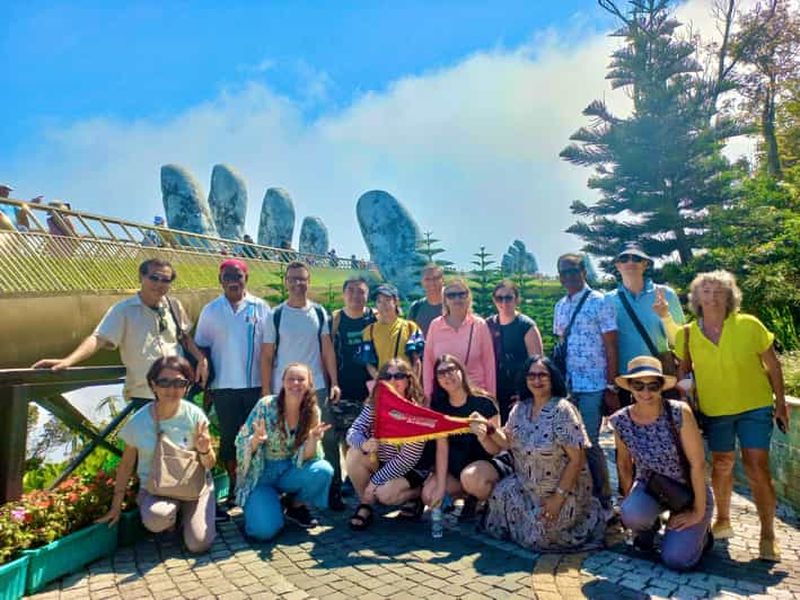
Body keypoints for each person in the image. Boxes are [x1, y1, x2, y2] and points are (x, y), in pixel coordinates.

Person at [675, 270, 788, 562]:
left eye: (718, 292)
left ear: (730, 296)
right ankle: (723, 521)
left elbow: (773, 366)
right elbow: (683, 372)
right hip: (715, 411)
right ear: (696, 297)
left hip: (754, 406)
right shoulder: (686, 333)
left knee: (756, 467)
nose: (712, 297)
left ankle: (767, 535)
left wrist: (781, 405)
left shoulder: (749, 325)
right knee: (722, 464)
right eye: (706, 291)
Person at [34, 258, 208, 410]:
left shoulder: (174, 306)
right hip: (145, 391)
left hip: (177, 389)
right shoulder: (123, 310)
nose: (159, 284)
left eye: (165, 280)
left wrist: (201, 359)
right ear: (141, 277)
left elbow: (183, 338)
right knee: (146, 445)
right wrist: (68, 361)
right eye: (154, 278)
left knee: (178, 443)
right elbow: (99, 338)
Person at [476, 356, 605, 551]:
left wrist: (558, 498)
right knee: (500, 496)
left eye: (542, 375)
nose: (536, 380)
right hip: (527, 486)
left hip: (561, 489)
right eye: (531, 375)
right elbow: (507, 442)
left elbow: (577, 460)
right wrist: (489, 429)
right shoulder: (520, 408)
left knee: (541, 536)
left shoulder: (563, 410)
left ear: (552, 378)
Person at [96, 356, 216, 553]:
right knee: (156, 518)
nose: (171, 389)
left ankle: (188, 514)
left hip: (194, 487)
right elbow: (126, 465)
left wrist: (204, 449)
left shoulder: (195, 416)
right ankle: (173, 518)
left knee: (199, 544)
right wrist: (116, 505)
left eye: (179, 383)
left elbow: (209, 463)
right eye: (164, 382)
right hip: (156, 489)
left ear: (187, 386)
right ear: (153, 385)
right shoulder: (139, 422)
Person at [609, 356, 713, 571]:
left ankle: (702, 536)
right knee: (631, 513)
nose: (645, 393)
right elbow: (624, 464)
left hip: (689, 491)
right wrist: (631, 508)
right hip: (652, 486)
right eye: (638, 385)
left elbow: (698, 464)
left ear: (661, 387)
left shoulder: (678, 412)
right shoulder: (621, 420)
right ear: (629, 386)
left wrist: (697, 512)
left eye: (652, 386)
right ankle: (648, 528)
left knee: (677, 560)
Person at [261, 261, 340, 508]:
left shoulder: (318, 313)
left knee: (326, 439)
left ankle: (332, 491)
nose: (298, 283)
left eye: (302, 279)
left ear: (309, 281)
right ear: (286, 282)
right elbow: (266, 356)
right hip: (284, 390)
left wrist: (334, 382)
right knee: (286, 441)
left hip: (316, 388)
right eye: (293, 279)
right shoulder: (276, 315)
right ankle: (288, 495)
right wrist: (266, 392)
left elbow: (327, 350)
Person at [194, 259, 270, 504]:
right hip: (223, 387)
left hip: (255, 386)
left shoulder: (260, 307)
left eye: (237, 276)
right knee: (229, 439)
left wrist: (268, 387)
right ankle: (236, 486)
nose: (232, 281)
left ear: (246, 278)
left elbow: (270, 349)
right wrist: (206, 383)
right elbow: (201, 347)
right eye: (227, 276)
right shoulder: (211, 310)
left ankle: (257, 484)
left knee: (257, 436)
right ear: (220, 280)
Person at [234, 363, 333, 540]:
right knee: (263, 532)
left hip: (290, 471)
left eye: (301, 379)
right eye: (291, 379)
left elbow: (309, 456)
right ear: (282, 382)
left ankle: (294, 505)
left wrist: (312, 439)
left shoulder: (312, 412)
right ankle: (267, 505)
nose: (295, 383)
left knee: (323, 470)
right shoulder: (265, 405)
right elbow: (241, 442)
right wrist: (255, 441)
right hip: (261, 474)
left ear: (310, 383)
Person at [553, 254, 618, 508]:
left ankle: (603, 499)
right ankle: (580, 493)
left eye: (572, 271)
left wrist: (611, 386)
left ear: (583, 271)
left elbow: (612, 346)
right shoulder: (560, 305)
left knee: (589, 441)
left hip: (593, 384)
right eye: (563, 272)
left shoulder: (599, 301)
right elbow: (561, 344)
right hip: (569, 386)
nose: (568, 276)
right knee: (569, 442)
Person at [345, 359, 428, 530]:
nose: (392, 381)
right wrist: (364, 444)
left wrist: (375, 482)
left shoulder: (417, 412)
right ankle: (366, 504)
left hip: (411, 468)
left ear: (408, 380)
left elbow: (408, 459)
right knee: (354, 453)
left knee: (385, 495)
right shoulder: (374, 405)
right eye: (386, 376)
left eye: (398, 376)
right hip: (383, 461)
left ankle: (417, 494)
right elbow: (352, 432)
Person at [606, 242, 684, 404]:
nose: (630, 262)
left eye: (636, 258)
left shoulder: (665, 294)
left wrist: (665, 316)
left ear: (645, 263)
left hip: (660, 377)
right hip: (626, 380)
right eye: (624, 258)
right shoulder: (607, 300)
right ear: (617, 265)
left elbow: (678, 341)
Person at [420, 354, 499, 510]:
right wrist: (441, 487)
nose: (447, 376)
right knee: (429, 495)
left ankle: (488, 502)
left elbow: (497, 448)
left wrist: (483, 435)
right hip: (455, 468)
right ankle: (466, 496)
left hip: (483, 466)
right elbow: (442, 449)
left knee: (471, 479)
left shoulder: (484, 402)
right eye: (441, 373)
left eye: (451, 369)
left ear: (461, 371)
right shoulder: (439, 407)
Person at [327, 276, 377, 510]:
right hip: (344, 386)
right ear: (344, 293)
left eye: (361, 292)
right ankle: (350, 476)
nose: (356, 296)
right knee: (348, 435)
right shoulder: (336, 320)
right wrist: (333, 382)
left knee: (371, 435)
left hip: (371, 389)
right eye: (352, 291)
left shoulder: (374, 317)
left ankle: (370, 477)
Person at [423, 279, 496, 399]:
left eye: (462, 294)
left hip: (476, 395)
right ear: (445, 300)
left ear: (468, 297)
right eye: (451, 295)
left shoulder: (479, 325)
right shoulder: (435, 326)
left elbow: (489, 364)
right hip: (444, 396)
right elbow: (428, 364)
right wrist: (428, 396)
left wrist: (492, 397)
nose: (457, 299)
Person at [486, 279, 543, 423]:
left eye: (508, 297)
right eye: (499, 298)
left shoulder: (526, 326)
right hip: (493, 391)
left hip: (518, 393)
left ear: (516, 299)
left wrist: (526, 393)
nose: (504, 302)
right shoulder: (488, 325)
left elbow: (537, 364)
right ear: (494, 300)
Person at [361, 284, 423, 378]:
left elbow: (416, 361)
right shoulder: (368, 331)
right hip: (384, 385)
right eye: (379, 301)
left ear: (396, 301)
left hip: (405, 383)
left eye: (387, 300)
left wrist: (413, 385)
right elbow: (369, 364)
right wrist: (381, 380)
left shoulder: (411, 327)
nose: (383, 305)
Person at [408, 264, 444, 338]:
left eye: (435, 278)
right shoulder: (416, 308)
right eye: (427, 279)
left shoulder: (453, 307)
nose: (432, 283)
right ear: (422, 282)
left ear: (443, 280)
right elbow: (410, 336)